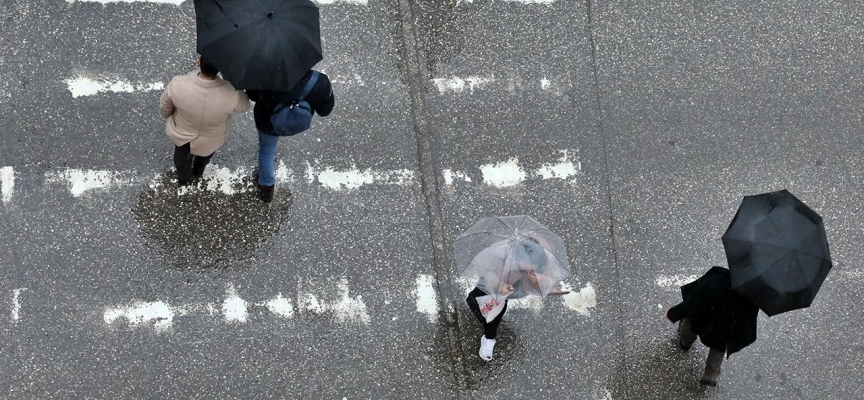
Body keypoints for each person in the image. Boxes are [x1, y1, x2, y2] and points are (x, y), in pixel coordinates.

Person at [246, 70, 335, 202]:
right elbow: (325, 110)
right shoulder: (320, 82)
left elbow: (252, 94)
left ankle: (267, 189)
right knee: (267, 152)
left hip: (267, 122)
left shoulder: (264, 76)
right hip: (296, 120)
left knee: (267, 152)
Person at [160, 57, 250, 185]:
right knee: (204, 157)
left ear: (198, 62)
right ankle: (198, 172)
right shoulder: (231, 92)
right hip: (212, 138)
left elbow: (165, 106)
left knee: (181, 159)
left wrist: (170, 118)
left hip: (183, 133)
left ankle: (184, 179)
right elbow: (244, 105)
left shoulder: (178, 83)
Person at [666, 266, 759, 386]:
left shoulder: (717, 279)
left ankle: (685, 343)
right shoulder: (752, 294)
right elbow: (749, 318)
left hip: (703, 319)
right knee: (719, 348)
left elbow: (693, 302)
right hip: (725, 329)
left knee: (690, 324)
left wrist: (673, 313)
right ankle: (711, 374)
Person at [466, 238, 549, 361]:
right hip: (489, 286)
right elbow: (483, 266)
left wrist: (536, 281)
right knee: (475, 301)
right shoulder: (498, 253)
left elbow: (540, 284)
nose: (531, 268)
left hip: (506, 293)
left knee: (493, 317)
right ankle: (486, 321)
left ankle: (489, 338)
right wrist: (498, 285)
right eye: (528, 264)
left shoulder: (539, 259)